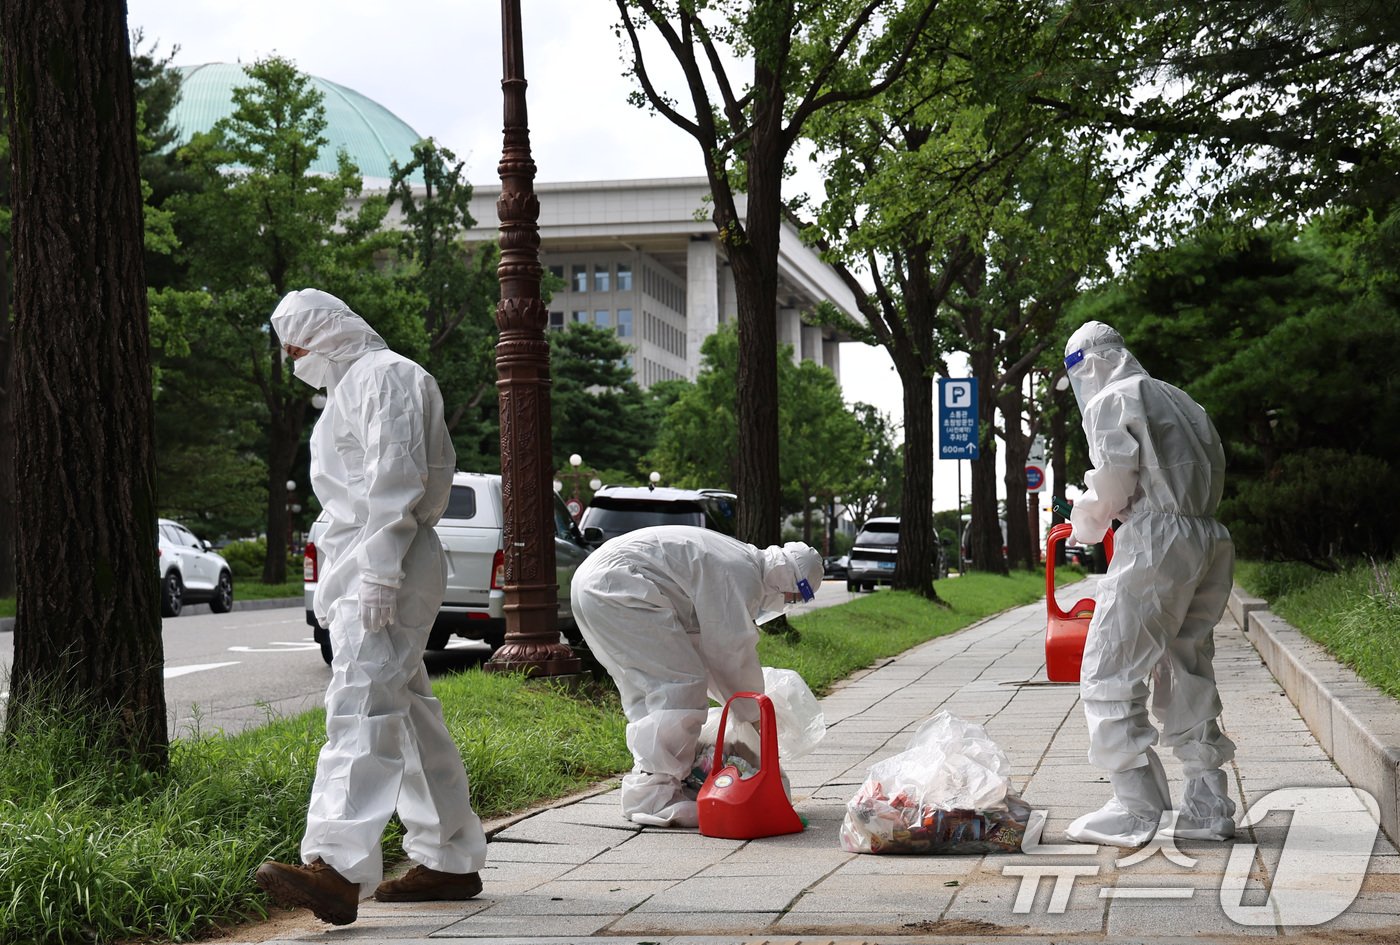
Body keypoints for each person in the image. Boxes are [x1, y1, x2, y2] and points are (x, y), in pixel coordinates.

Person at [255, 289, 487, 925]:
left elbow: (396, 479)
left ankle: (335, 866)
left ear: (328, 332)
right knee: (405, 710)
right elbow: (363, 494)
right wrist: (349, 576)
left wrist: (379, 572)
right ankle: (449, 858)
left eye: (299, 343)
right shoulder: (354, 387)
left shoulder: (384, 378)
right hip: (375, 558)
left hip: (390, 556)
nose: (295, 357)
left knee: (360, 704)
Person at [1061, 320, 1237, 847]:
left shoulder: (1113, 398)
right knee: (1185, 664)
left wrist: (1085, 523)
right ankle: (1209, 804)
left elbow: (1114, 479)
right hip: (1207, 536)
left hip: (1157, 540)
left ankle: (1137, 807)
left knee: (1110, 667)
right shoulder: (1180, 399)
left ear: (1085, 366)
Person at [571, 526, 824, 827]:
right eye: (799, 593)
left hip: (598, 582)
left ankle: (657, 783)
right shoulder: (742, 575)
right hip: (620, 585)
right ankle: (655, 796)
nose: (791, 601)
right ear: (788, 577)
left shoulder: (740, 560)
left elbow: (704, 649)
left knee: (652, 687)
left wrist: (747, 710)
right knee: (680, 687)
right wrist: (755, 716)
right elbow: (730, 654)